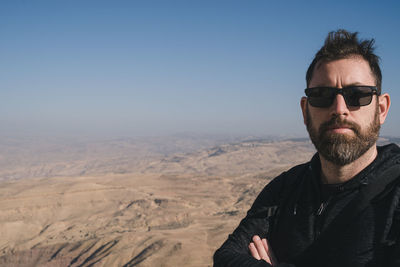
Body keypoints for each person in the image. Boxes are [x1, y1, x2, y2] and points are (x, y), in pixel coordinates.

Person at [213, 29, 400, 267]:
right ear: (305, 110)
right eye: (322, 95)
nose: (339, 108)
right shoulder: (284, 190)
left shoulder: (394, 194)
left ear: (381, 109)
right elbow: (225, 258)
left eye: (357, 95)